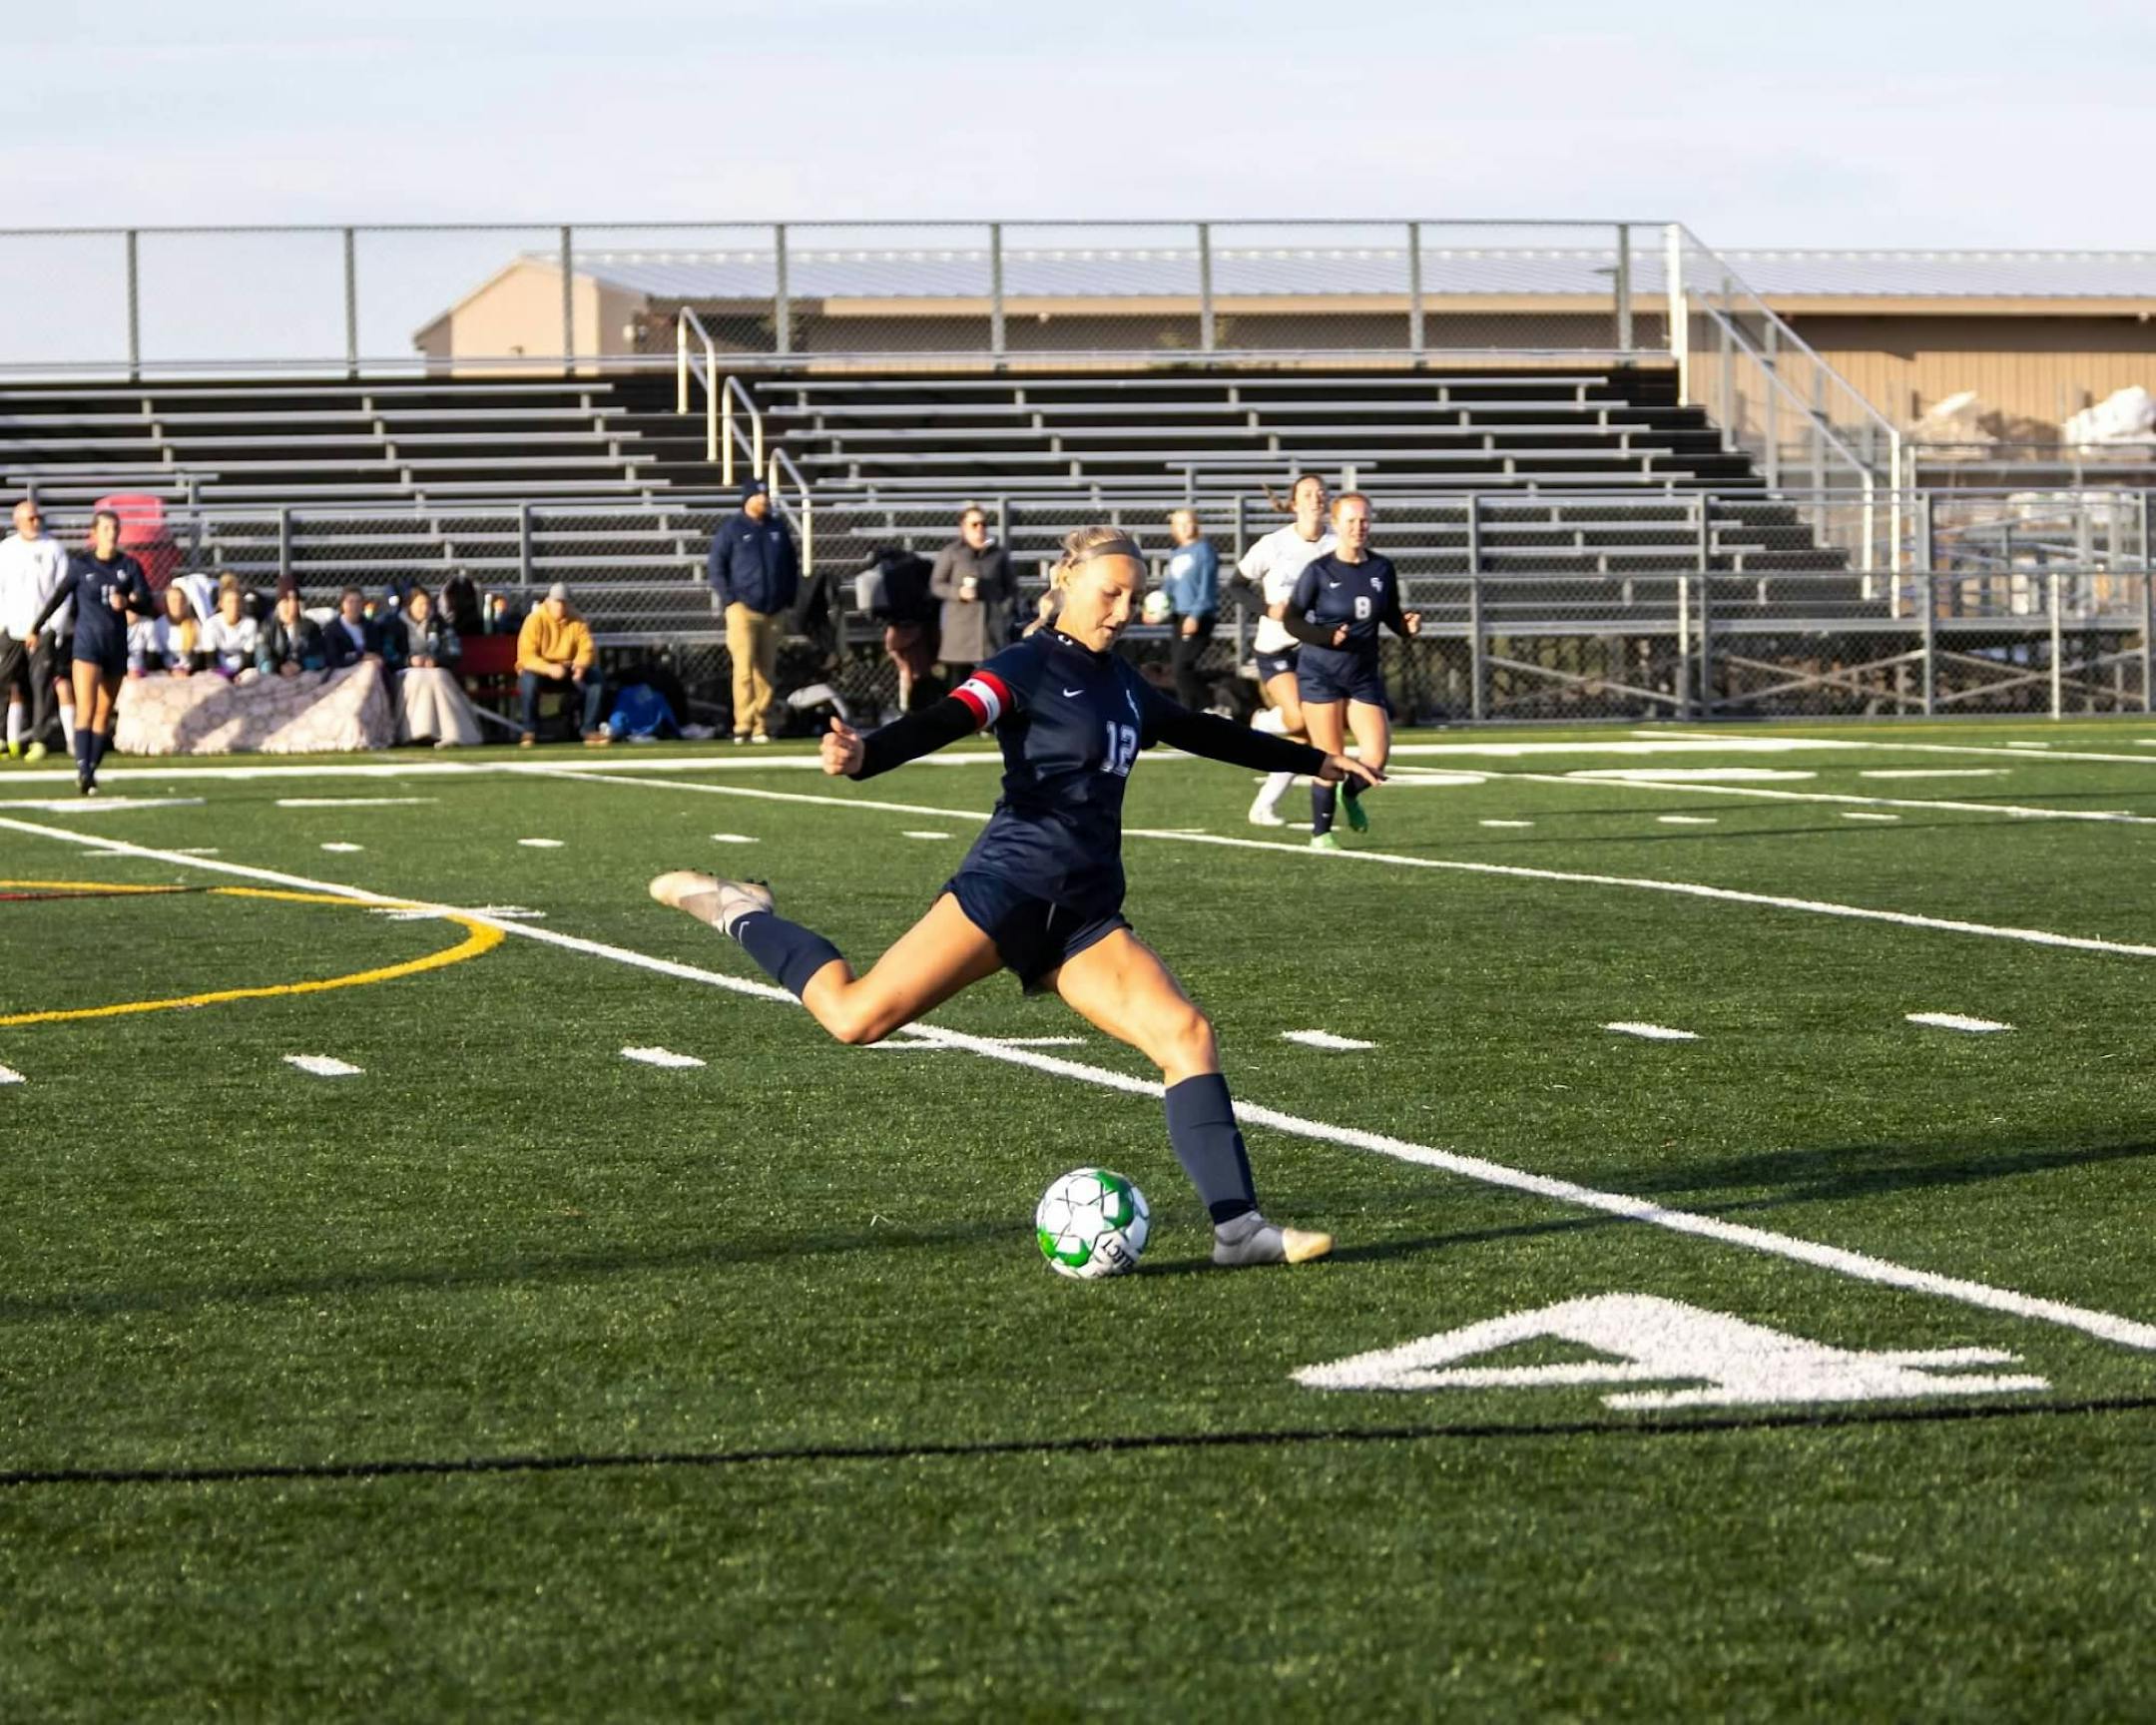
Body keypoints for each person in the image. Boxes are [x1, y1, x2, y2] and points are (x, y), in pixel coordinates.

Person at [650, 524, 1383, 1269]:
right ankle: (741, 909)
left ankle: (1239, 1230)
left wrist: (1316, 760)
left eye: (1133, 595)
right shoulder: (1026, 665)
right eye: (1110, 594)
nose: (1124, 610)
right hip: (1009, 889)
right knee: (853, 1016)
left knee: (1187, 1035)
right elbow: (952, 716)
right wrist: (869, 754)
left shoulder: (1127, 684)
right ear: (1065, 584)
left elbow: (1207, 733)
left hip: (1087, 916)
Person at [1281, 492, 1420, 852]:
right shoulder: (1320, 571)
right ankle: (1321, 833)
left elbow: (1390, 617)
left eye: (1364, 521)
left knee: (1376, 756)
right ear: (1336, 524)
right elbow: (1292, 620)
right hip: (1321, 673)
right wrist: (1326, 635)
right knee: (1330, 755)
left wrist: (1406, 627)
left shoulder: (1381, 568)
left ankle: (1351, 792)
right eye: (1351, 521)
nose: (1359, 528)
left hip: (1362, 674)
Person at [28, 507, 155, 795]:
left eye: (115, 528)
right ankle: (84, 770)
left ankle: (91, 770)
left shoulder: (129, 565)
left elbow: (148, 605)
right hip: (87, 645)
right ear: (94, 534)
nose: (112, 534)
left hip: (116, 645)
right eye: (106, 529)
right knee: (85, 708)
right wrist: (35, 627)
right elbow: (57, 598)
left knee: (104, 711)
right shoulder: (81, 565)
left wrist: (129, 604)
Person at [1234, 474, 1335, 827]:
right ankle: (1262, 721)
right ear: (1293, 503)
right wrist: (1267, 609)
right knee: (1298, 720)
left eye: (1321, 493)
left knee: (1306, 738)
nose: (1316, 498)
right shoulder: (1273, 545)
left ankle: (1263, 806)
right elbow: (1236, 585)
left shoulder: (1337, 545)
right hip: (1277, 647)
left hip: (1318, 649)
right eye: (1307, 493)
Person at [706, 477, 801, 744]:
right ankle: (743, 724)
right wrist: (730, 599)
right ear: (747, 499)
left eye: (766, 496)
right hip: (743, 610)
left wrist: (787, 599)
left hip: (774, 610)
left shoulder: (777, 529)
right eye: (759, 496)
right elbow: (716, 566)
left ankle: (762, 724)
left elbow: (790, 566)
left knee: (766, 671)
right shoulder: (732, 529)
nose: (764, 501)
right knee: (744, 669)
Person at [0, 498, 70, 760]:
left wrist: (52, 627)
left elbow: (63, 592)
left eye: (37, 517)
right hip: (11, 629)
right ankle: (4, 738)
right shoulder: (5, 550)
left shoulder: (53, 549)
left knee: (41, 684)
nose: (35, 522)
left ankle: (40, 739)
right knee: (4, 682)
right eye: (30, 518)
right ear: (17, 521)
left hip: (42, 630)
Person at [515, 580, 607, 747]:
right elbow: (526, 657)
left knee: (596, 678)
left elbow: (587, 647)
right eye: (557, 601)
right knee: (528, 680)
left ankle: (589, 729)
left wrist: (581, 664)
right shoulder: (535, 620)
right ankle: (529, 731)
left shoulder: (577, 620)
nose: (561, 606)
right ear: (549, 601)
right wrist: (548, 668)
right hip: (540, 669)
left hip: (568, 668)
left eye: (564, 602)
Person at [929, 504, 1014, 683]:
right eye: (974, 524)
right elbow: (936, 585)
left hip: (991, 630)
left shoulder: (997, 555)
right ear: (963, 527)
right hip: (961, 632)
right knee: (958, 686)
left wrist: (1003, 609)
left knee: (993, 684)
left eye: (983, 524)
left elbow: (1011, 588)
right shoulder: (951, 553)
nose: (980, 529)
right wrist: (958, 592)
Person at [391, 584, 480, 748]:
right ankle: (413, 733)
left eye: (427, 604)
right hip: (405, 674)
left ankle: (452, 733)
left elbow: (454, 651)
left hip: (436, 670)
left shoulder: (439, 623)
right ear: (409, 605)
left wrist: (436, 660)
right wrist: (409, 660)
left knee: (437, 677)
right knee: (417, 678)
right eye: (420, 605)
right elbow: (388, 653)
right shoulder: (395, 624)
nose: (424, 609)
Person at [861, 545, 939, 714]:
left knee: (910, 671)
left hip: (904, 628)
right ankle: (912, 708)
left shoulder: (903, 572)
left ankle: (912, 707)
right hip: (908, 629)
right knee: (913, 672)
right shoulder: (909, 570)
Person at [1161, 507, 1220, 711]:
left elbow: (1206, 589)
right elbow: (1169, 586)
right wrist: (1155, 609)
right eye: (1180, 523)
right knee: (1180, 669)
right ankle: (1192, 711)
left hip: (1198, 616)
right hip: (1178, 617)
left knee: (1181, 668)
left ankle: (1208, 705)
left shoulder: (1204, 551)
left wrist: (1195, 615)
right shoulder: (1176, 553)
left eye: (1188, 522)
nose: (1185, 527)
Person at [257, 584, 332, 678]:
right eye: (284, 602)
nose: (287, 606)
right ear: (277, 605)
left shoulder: (310, 627)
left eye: (291, 601)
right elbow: (262, 657)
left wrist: (300, 665)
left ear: (298, 604)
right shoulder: (267, 627)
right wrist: (278, 668)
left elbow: (320, 658)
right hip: (275, 676)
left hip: (304, 675)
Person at [129, 584, 202, 677]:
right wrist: (170, 671)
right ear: (166, 604)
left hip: (189, 673)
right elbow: (155, 659)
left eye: (181, 600)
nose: (178, 604)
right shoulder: (158, 625)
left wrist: (189, 672)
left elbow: (200, 658)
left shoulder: (195, 624)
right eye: (173, 601)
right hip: (165, 673)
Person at [199, 574, 258, 677]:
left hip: (242, 671)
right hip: (218, 671)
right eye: (229, 602)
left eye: (237, 602)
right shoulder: (210, 624)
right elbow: (210, 660)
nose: (234, 606)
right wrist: (223, 674)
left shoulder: (250, 624)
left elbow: (248, 659)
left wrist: (238, 675)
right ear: (221, 604)